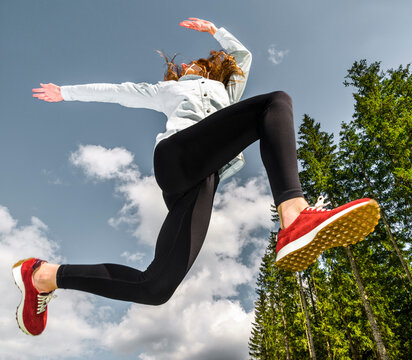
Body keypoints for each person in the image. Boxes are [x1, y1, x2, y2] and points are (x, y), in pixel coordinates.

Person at [12, 18, 380, 336]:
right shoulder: (165, 90)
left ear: (209, 69)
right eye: (184, 63)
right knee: (275, 101)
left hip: (205, 176)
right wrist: (67, 93)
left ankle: (43, 275)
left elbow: (244, 57)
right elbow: (118, 92)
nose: (189, 63)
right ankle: (294, 215)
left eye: (196, 62)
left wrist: (216, 31)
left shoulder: (227, 89)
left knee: (156, 286)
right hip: (176, 159)